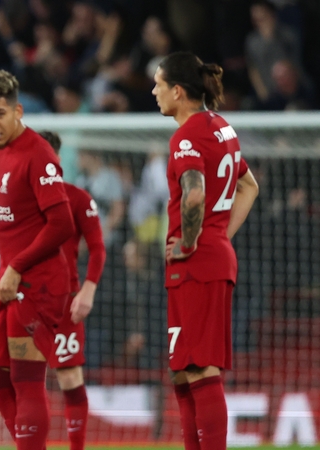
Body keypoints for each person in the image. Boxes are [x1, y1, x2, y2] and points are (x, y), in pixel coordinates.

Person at [151, 52, 259, 450]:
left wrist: (193, 241)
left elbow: (193, 196)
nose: (153, 92)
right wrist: (219, 236)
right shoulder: (221, 128)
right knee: (182, 371)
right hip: (211, 258)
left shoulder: (186, 136)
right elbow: (250, 187)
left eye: (159, 85)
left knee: (199, 370)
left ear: (177, 92)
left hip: (195, 264)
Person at [0, 69, 75, 450]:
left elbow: (61, 223)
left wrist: (14, 267)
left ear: (18, 110)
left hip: (39, 281)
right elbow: (11, 216)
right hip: (11, 279)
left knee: (25, 378)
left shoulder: (37, 154)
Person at [39, 130, 106, 448]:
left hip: (66, 301)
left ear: (57, 157)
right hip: (27, 302)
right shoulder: (19, 202)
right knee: (24, 380)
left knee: (68, 377)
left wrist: (88, 290)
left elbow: (97, 248)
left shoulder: (78, 198)